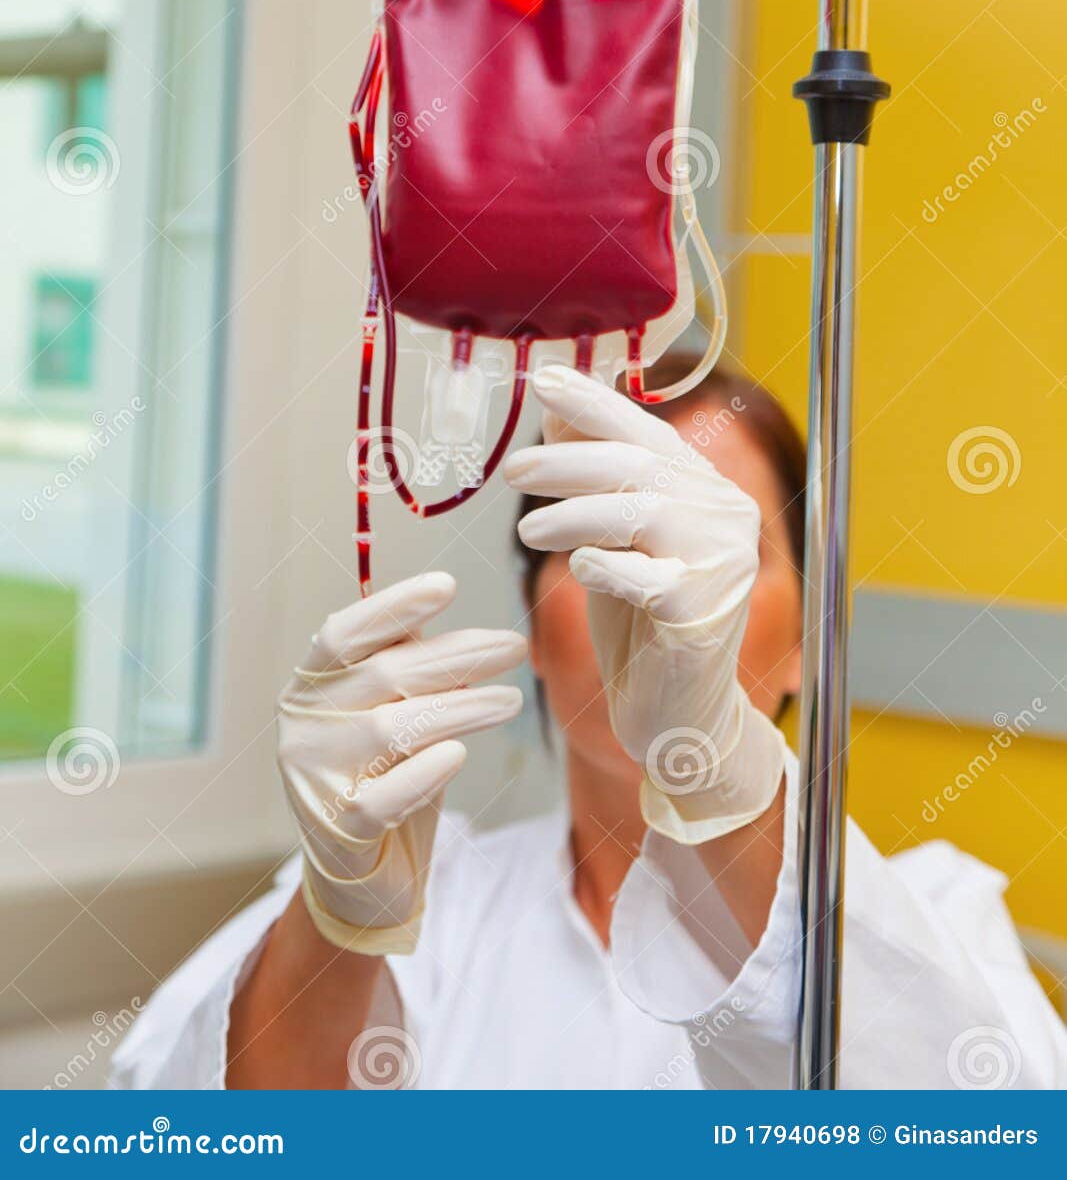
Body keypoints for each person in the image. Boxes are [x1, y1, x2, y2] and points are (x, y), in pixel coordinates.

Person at [111, 363, 1066, 1090]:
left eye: (718, 553)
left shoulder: (933, 913)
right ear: (530, 623)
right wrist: (339, 923)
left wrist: (723, 780)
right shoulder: (407, 904)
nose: (646, 595)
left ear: (805, 649)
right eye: (602, 545)